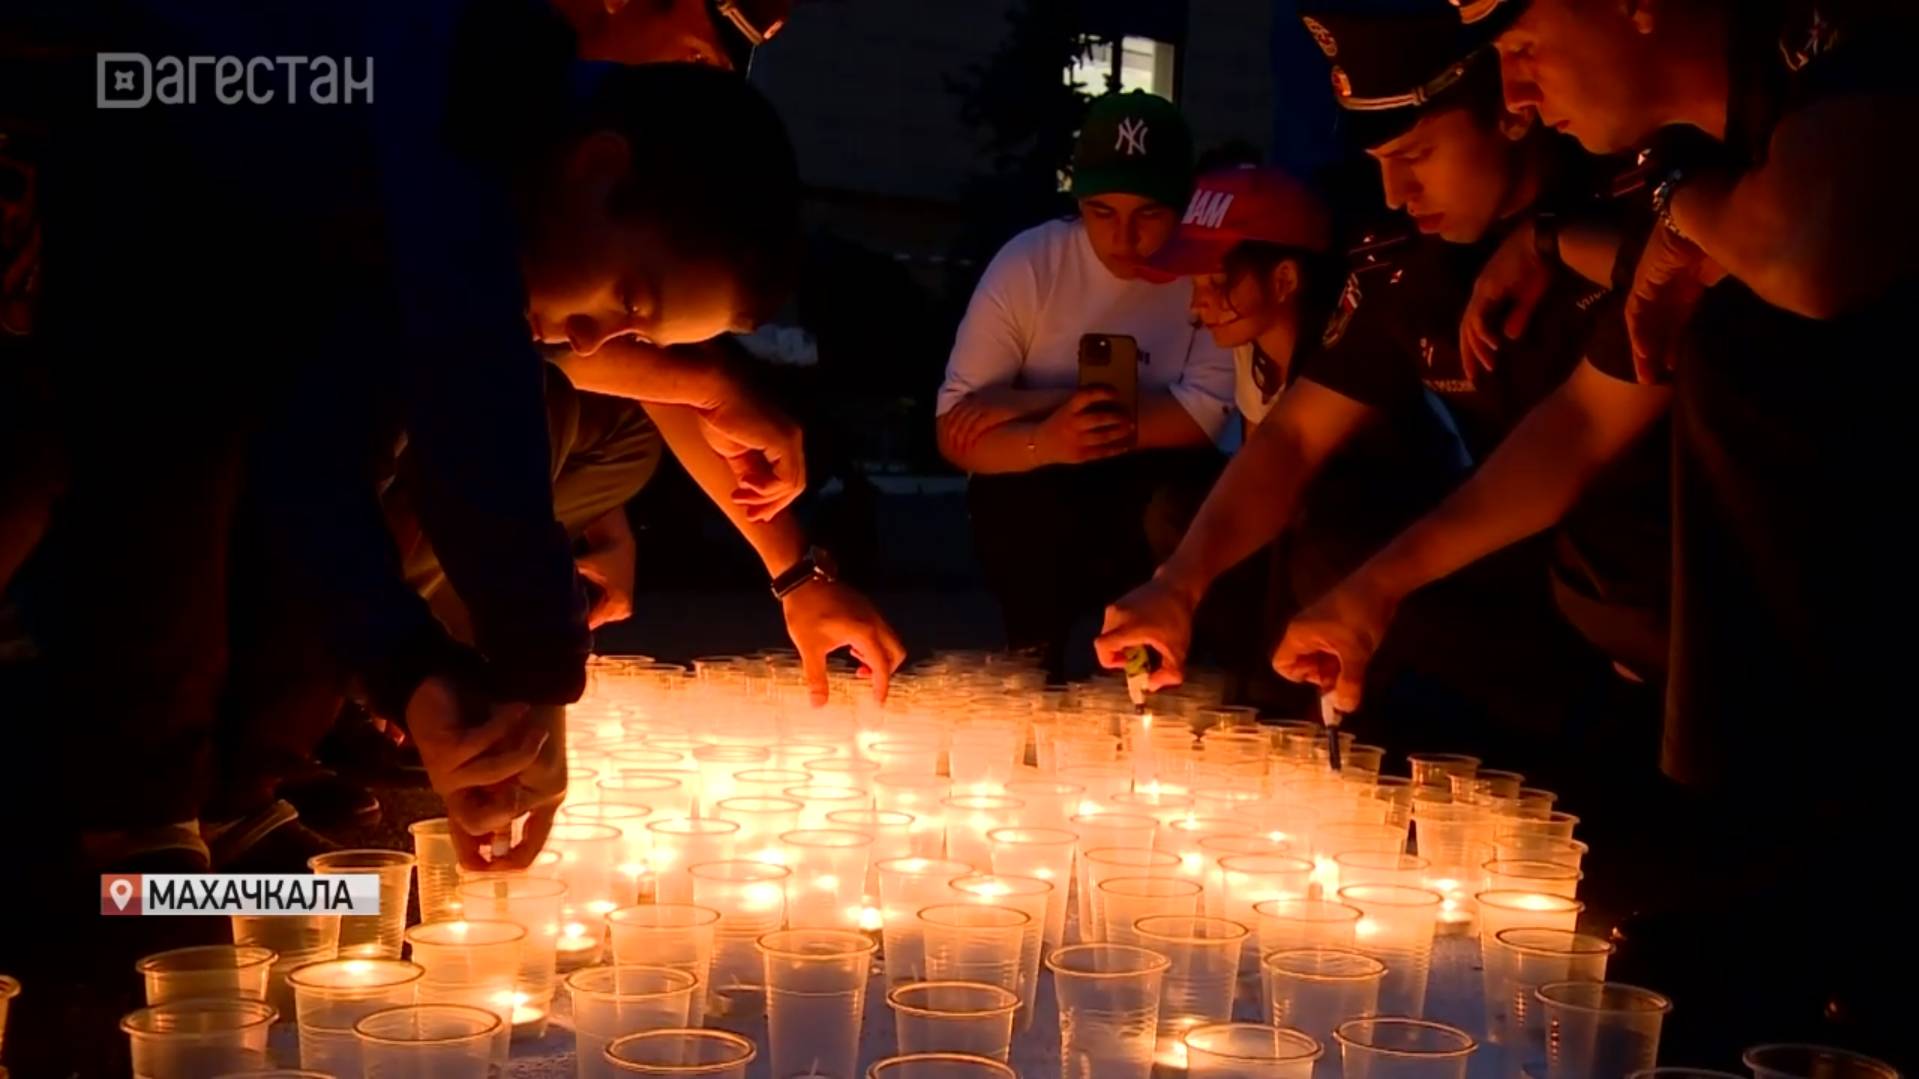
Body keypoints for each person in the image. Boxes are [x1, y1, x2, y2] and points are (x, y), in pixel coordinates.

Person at [1457, 0, 1919, 1058]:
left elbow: (1806, 250)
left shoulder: (1845, 38)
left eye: (1520, 46)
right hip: (1780, 794)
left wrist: (1680, 200)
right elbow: (1588, 413)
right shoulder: (1756, 132)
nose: (1513, 98)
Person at [1097, 10, 1651, 763]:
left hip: (1658, 587)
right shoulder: (1404, 261)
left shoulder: (1623, 205)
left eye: (1416, 153)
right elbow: (1294, 436)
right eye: (1380, 161)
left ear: (1513, 111)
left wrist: (1376, 586)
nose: (1396, 192)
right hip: (1527, 573)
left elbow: (1577, 431)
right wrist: (1179, 583)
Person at [937, 91, 1237, 677]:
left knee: (1175, 505)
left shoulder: (1204, 272)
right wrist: (1047, 436)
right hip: (1041, 481)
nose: (1123, 238)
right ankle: (1031, 663)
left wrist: (1024, 406)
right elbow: (957, 431)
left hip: (1152, 482)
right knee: (1013, 499)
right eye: (1102, 213)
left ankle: (1154, 669)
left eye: (1148, 214)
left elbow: (1202, 417)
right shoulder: (1031, 264)